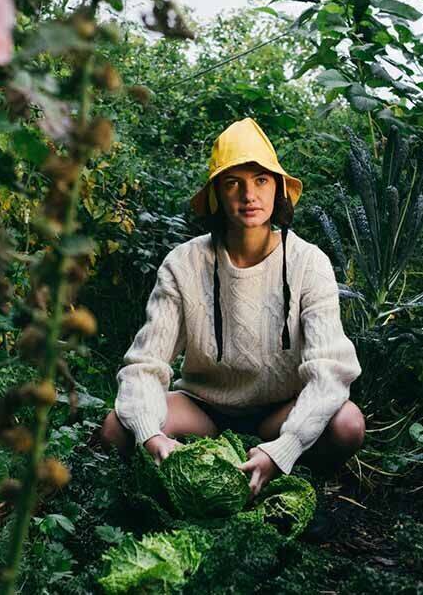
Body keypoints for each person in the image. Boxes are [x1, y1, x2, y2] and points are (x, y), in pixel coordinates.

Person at [99, 117, 365, 498]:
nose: (248, 195)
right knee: (116, 428)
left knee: (347, 424)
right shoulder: (183, 263)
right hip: (204, 408)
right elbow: (145, 364)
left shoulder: (310, 262)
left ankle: (297, 487)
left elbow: (329, 371)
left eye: (260, 180)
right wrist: (151, 436)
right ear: (216, 196)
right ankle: (174, 491)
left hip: (279, 411)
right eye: (232, 183)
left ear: (278, 189)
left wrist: (283, 449)